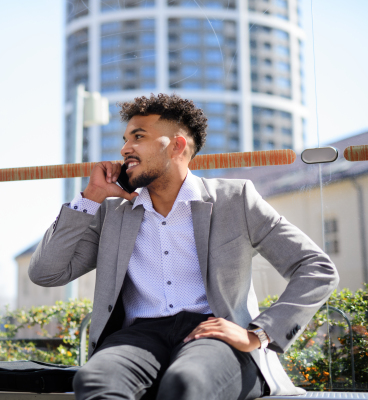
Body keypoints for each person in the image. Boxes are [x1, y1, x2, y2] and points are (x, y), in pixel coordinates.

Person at [29, 94, 338, 400]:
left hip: (213, 335)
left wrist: (257, 334)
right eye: (125, 139)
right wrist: (90, 198)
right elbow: (46, 273)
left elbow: (316, 268)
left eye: (138, 137)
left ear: (177, 146)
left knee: (186, 383)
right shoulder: (112, 212)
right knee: (94, 380)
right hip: (138, 338)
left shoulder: (235, 199)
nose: (125, 149)